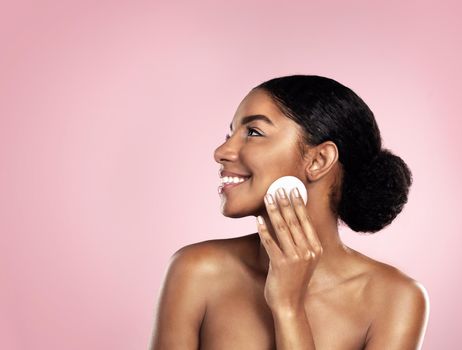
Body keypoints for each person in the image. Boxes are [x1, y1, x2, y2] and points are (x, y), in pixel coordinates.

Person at [149, 75, 430, 349]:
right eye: (229, 134)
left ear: (319, 160)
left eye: (253, 132)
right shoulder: (196, 271)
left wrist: (288, 307)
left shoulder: (395, 299)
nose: (221, 151)